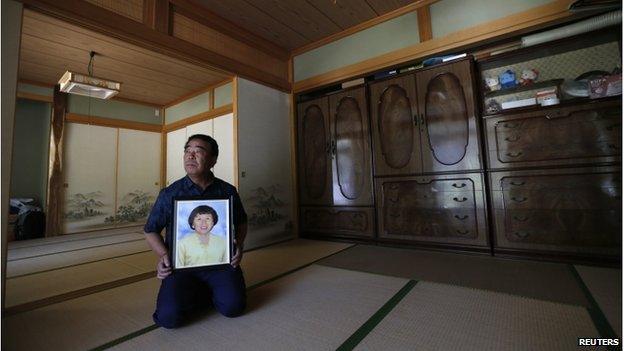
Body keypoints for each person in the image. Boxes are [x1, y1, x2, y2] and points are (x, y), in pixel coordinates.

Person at [143, 134, 248, 328]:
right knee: (168, 319)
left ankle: (207, 290)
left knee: (234, 307)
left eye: (198, 151)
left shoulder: (227, 191)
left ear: (213, 159)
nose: (190, 155)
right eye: (187, 150)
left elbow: (242, 222)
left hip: (220, 264)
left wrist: (239, 246)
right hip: (181, 266)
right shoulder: (170, 193)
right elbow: (150, 230)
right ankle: (202, 291)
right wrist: (164, 256)